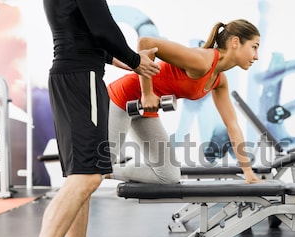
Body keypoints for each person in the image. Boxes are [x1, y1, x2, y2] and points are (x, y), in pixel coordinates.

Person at [7, 0, 161, 237]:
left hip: (75, 76)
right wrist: (134, 60)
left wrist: (122, 59)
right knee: (87, 177)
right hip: (81, 79)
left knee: (81, 177)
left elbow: (85, 33)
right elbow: (103, 30)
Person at [106, 19, 262, 184]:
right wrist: (147, 92)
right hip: (121, 98)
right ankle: (103, 169)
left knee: (168, 176)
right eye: (254, 47)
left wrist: (248, 172)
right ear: (235, 42)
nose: (256, 56)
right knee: (97, 167)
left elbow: (232, 125)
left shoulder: (219, 80)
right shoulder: (202, 61)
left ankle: (110, 171)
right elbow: (147, 43)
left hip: (145, 111)